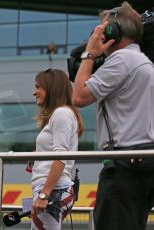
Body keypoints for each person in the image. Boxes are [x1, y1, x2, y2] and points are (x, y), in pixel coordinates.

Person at [72, 2, 154, 230]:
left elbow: (78, 96)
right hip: (139, 160)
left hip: (126, 165)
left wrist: (89, 55)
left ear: (113, 33)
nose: (98, 34)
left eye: (102, 29)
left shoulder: (122, 61)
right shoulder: (142, 60)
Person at [31, 68, 84, 230]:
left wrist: (44, 194)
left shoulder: (61, 113)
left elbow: (60, 157)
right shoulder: (60, 114)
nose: (35, 92)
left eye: (39, 87)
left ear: (52, 89)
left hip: (54, 190)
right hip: (52, 189)